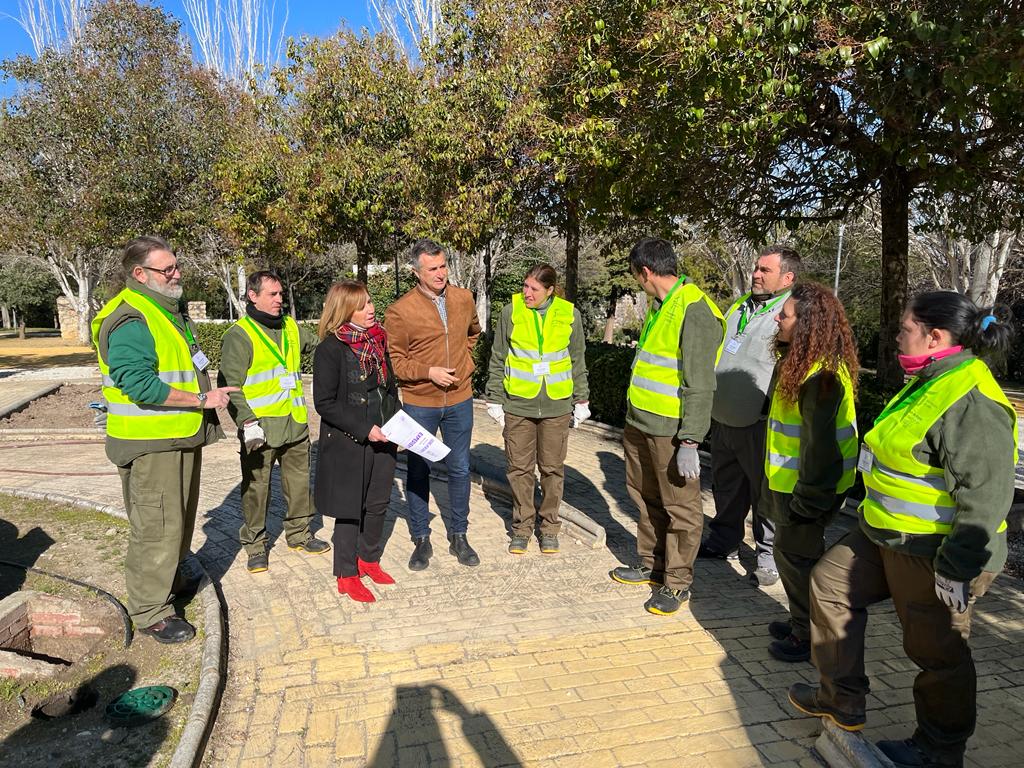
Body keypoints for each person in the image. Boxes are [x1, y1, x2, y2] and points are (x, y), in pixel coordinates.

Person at [788, 291, 1018, 768]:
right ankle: (842, 700)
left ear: (935, 336)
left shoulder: (971, 400)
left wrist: (958, 569)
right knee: (829, 585)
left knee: (937, 654)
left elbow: (987, 496)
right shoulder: (929, 379)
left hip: (935, 552)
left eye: (904, 328)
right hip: (881, 535)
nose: (895, 336)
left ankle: (939, 749)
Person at [92, 236, 237, 643]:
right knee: (156, 527)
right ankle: (150, 611)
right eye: (166, 269)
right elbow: (137, 383)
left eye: (176, 266)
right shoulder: (132, 318)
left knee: (176, 523)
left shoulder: (165, 310)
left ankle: (168, 581)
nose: (177, 274)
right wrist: (200, 399)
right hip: (151, 442)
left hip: (176, 436)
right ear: (139, 274)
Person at [609, 237, 726, 615]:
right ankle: (650, 563)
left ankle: (677, 583)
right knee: (645, 497)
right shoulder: (663, 305)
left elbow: (700, 382)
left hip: (670, 431)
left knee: (681, 508)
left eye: (636, 277)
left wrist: (691, 440)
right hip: (640, 421)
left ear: (645, 272)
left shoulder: (694, 309)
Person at [759, 283, 858, 663]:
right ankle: (800, 618)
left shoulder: (821, 378)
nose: (777, 319)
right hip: (794, 486)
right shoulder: (805, 366)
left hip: (806, 491)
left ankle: (807, 634)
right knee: (791, 557)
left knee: (797, 560)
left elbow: (821, 451)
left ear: (806, 324)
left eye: (784, 315)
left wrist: (808, 500)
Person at [701, 247, 800, 587]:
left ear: (787, 278)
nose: (756, 274)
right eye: (756, 268)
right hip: (723, 417)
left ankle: (768, 556)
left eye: (765, 270)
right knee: (726, 485)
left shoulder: (790, 314)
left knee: (764, 493)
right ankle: (723, 540)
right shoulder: (740, 306)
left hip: (758, 422)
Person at [218, 272, 329, 573]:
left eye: (281, 294)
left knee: (299, 484)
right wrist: (247, 421)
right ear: (253, 296)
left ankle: (299, 534)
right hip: (261, 430)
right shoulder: (240, 336)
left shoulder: (290, 327)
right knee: (256, 490)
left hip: (294, 424)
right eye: (273, 295)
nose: (280, 300)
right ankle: (255, 545)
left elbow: (320, 346)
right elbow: (230, 384)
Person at [384, 239, 482, 570]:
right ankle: (421, 539)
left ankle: (459, 535)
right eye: (432, 269)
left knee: (460, 468)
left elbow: (473, 333)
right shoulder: (400, 311)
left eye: (443, 266)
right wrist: (429, 372)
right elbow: (395, 362)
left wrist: (464, 361)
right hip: (419, 403)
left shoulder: (464, 298)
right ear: (416, 272)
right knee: (418, 470)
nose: (440, 274)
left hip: (460, 400)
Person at [484, 264, 590, 555]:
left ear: (550, 290)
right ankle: (521, 527)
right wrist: (494, 397)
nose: (526, 293)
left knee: (552, 469)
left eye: (534, 288)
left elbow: (577, 359)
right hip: (518, 403)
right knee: (519, 469)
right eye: (525, 286)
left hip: (556, 405)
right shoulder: (511, 311)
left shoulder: (570, 314)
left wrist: (582, 399)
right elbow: (498, 356)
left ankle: (549, 527)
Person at [313, 281, 400, 602]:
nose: (371, 309)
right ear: (345, 309)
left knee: (378, 503)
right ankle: (347, 573)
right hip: (351, 441)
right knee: (349, 509)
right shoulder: (330, 349)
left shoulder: (378, 342)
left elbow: (389, 391)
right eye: (362, 305)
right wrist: (366, 429)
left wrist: (399, 423)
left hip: (385, 438)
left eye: (370, 303)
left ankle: (369, 559)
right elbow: (324, 403)